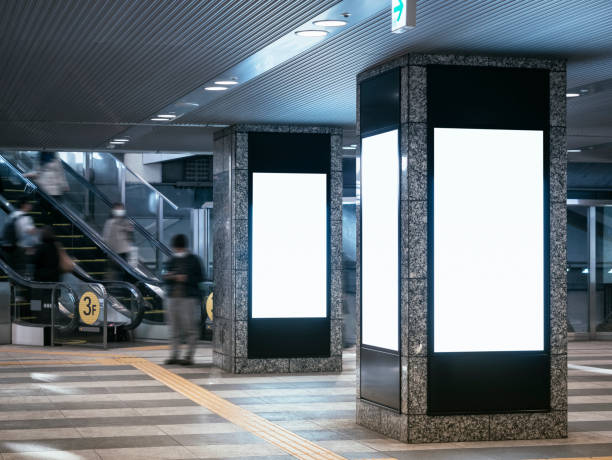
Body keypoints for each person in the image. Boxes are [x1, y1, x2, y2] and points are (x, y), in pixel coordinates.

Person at [164, 234, 205, 366]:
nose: (178, 252)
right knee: (173, 328)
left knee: (190, 328)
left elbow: (200, 278)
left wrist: (186, 278)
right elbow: (163, 277)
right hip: (172, 298)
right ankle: (174, 354)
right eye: (177, 249)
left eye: (179, 249)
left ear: (184, 247)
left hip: (189, 298)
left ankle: (189, 356)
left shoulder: (194, 260)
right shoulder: (171, 260)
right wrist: (170, 277)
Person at [4, 196, 38, 276]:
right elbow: (27, 233)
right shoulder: (25, 218)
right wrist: (31, 246)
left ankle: (13, 286)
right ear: (24, 205)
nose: (31, 205)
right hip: (20, 249)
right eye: (29, 203)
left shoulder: (12, 215)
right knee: (21, 271)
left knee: (13, 271)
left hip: (8, 247)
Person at [102, 203, 134, 280]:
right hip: (113, 252)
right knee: (113, 271)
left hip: (125, 252)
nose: (119, 211)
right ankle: (112, 286)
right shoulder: (110, 222)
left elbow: (130, 236)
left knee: (124, 272)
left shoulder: (127, 222)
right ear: (113, 211)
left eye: (121, 209)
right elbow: (105, 237)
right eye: (117, 209)